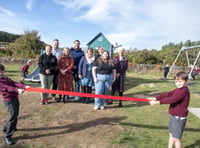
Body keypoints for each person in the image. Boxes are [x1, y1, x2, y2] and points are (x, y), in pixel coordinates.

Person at [148, 71, 190, 148]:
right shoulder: (178, 90)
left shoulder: (184, 91)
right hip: (174, 115)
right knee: (171, 134)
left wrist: (157, 102)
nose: (178, 83)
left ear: (186, 81)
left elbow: (172, 99)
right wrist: (155, 98)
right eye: (176, 81)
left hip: (179, 117)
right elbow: (168, 94)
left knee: (176, 138)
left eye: (180, 81)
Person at [0, 64, 29, 145]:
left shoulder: (6, 78)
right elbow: (7, 88)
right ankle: (8, 136)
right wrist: (17, 90)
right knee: (13, 115)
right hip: (8, 100)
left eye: (2, 71)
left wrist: (24, 86)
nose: (0, 73)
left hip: (15, 98)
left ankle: (7, 127)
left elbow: (15, 83)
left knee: (15, 114)